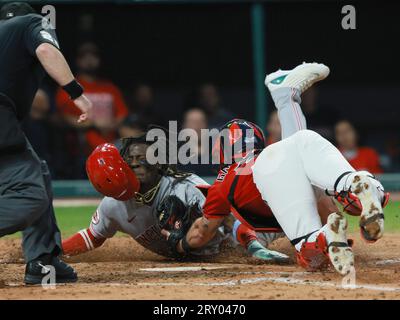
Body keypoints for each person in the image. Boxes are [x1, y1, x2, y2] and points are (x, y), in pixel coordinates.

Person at [161, 63, 389, 276]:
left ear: (223, 149)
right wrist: (338, 215)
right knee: (338, 180)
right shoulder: (271, 151)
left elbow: (202, 234)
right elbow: (323, 204)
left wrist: (179, 245)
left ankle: (318, 238)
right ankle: (356, 188)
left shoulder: (223, 183)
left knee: (309, 251)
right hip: (301, 144)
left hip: (271, 178)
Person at [0, 2, 92, 284]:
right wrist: (76, 93)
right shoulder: (29, 23)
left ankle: (42, 260)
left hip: (6, 124)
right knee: (30, 195)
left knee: (36, 171)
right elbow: (45, 49)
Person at [56, 42, 129, 152]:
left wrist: (112, 125)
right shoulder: (69, 86)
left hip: (113, 140)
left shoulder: (110, 88)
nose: (89, 59)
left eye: (94, 55)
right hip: (83, 143)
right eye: (84, 56)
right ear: (77, 60)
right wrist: (93, 123)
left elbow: (122, 114)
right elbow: (62, 117)